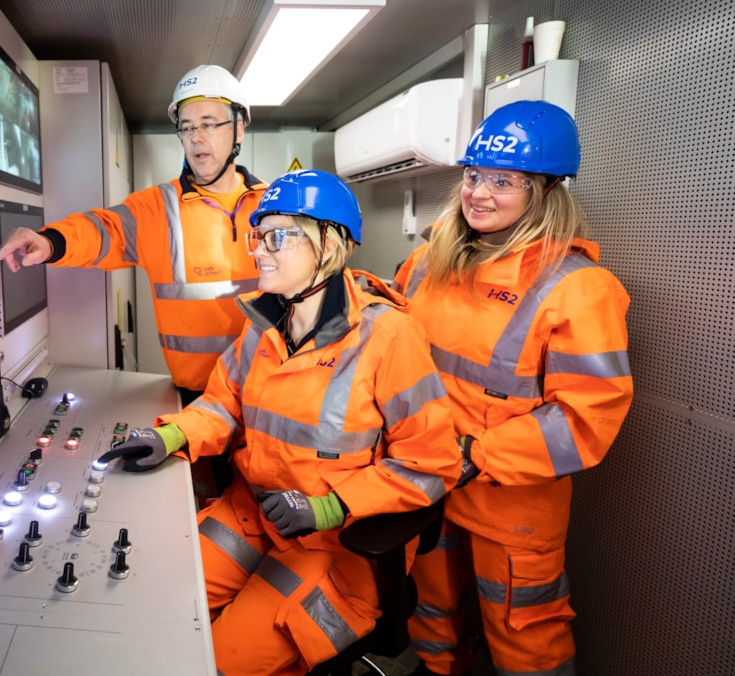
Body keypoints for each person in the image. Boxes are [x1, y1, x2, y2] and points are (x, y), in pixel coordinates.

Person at [97, 169, 461, 676]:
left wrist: (331, 508)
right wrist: (172, 434)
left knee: (216, 662)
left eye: (278, 236)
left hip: (337, 547)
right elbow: (222, 404)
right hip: (256, 513)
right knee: (149, 604)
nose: (259, 251)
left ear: (329, 245)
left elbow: (432, 464)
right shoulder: (265, 326)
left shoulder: (389, 337)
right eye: (257, 235)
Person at [393, 101, 634, 676]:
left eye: (503, 181)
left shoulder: (579, 289)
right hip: (428, 483)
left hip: (512, 506)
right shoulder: (429, 262)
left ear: (545, 191)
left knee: (525, 643)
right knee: (431, 616)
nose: (478, 192)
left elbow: (585, 419)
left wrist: (478, 453)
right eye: (474, 175)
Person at [0, 64, 267, 500]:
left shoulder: (273, 206)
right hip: (194, 399)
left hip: (266, 396)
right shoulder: (157, 208)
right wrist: (49, 242)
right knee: (205, 511)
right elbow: (104, 230)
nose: (197, 137)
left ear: (239, 128)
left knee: (265, 507)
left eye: (211, 123)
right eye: (187, 127)